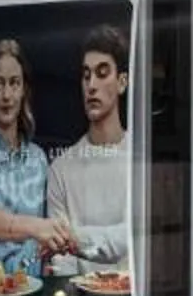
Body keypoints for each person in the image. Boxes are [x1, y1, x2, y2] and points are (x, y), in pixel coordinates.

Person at [0, 36, 71, 274]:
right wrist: (36, 227)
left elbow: (47, 234)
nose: (7, 95)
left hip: (33, 291)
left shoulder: (39, 159)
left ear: (24, 90)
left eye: (14, 83)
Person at [46, 25, 133, 267]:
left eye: (102, 73)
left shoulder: (141, 160)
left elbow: (136, 239)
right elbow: (59, 261)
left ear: (122, 82)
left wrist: (75, 238)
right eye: (86, 75)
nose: (91, 85)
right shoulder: (60, 170)